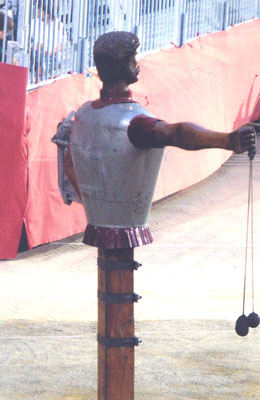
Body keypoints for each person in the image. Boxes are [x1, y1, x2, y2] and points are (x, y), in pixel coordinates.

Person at [63, 31, 258, 249]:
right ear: (122, 65)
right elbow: (177, 133)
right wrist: (227, 141)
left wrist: (95, 205)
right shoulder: (135, 122)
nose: (137, 63)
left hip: (98, 225)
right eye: (133, 58)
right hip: (123, 230)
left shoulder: (83, 113)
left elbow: (69, 165)